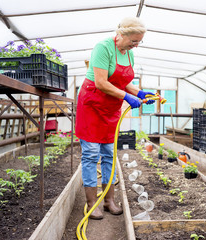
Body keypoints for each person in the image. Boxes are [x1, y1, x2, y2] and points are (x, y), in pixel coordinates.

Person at [75, 17, 154, 220]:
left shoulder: (128, 54)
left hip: (110, 109)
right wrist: (128, 97)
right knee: (92, 154)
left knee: (110, 154)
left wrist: (140, 93)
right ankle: (92, 202)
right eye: (133, 41)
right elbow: (101, 82)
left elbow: (122, 82)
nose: (136, 46)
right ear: (121, 34)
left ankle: (109, 200)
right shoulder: (103, 47)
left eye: (139, 42)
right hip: (92, 104)